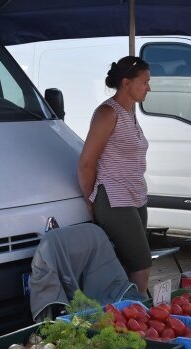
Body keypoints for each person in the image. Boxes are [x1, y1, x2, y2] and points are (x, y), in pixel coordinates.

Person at [78, 56, 152, 295]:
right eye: (145, 81)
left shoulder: (129, 112)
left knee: (127, 262)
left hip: (136, 195)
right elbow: (86, 163)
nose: (149, 88)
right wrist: (91, 200)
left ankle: (124, 313)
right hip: (114, 196)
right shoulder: (107, 113)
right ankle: (139, 312)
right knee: (142, 263)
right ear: (126, 83)